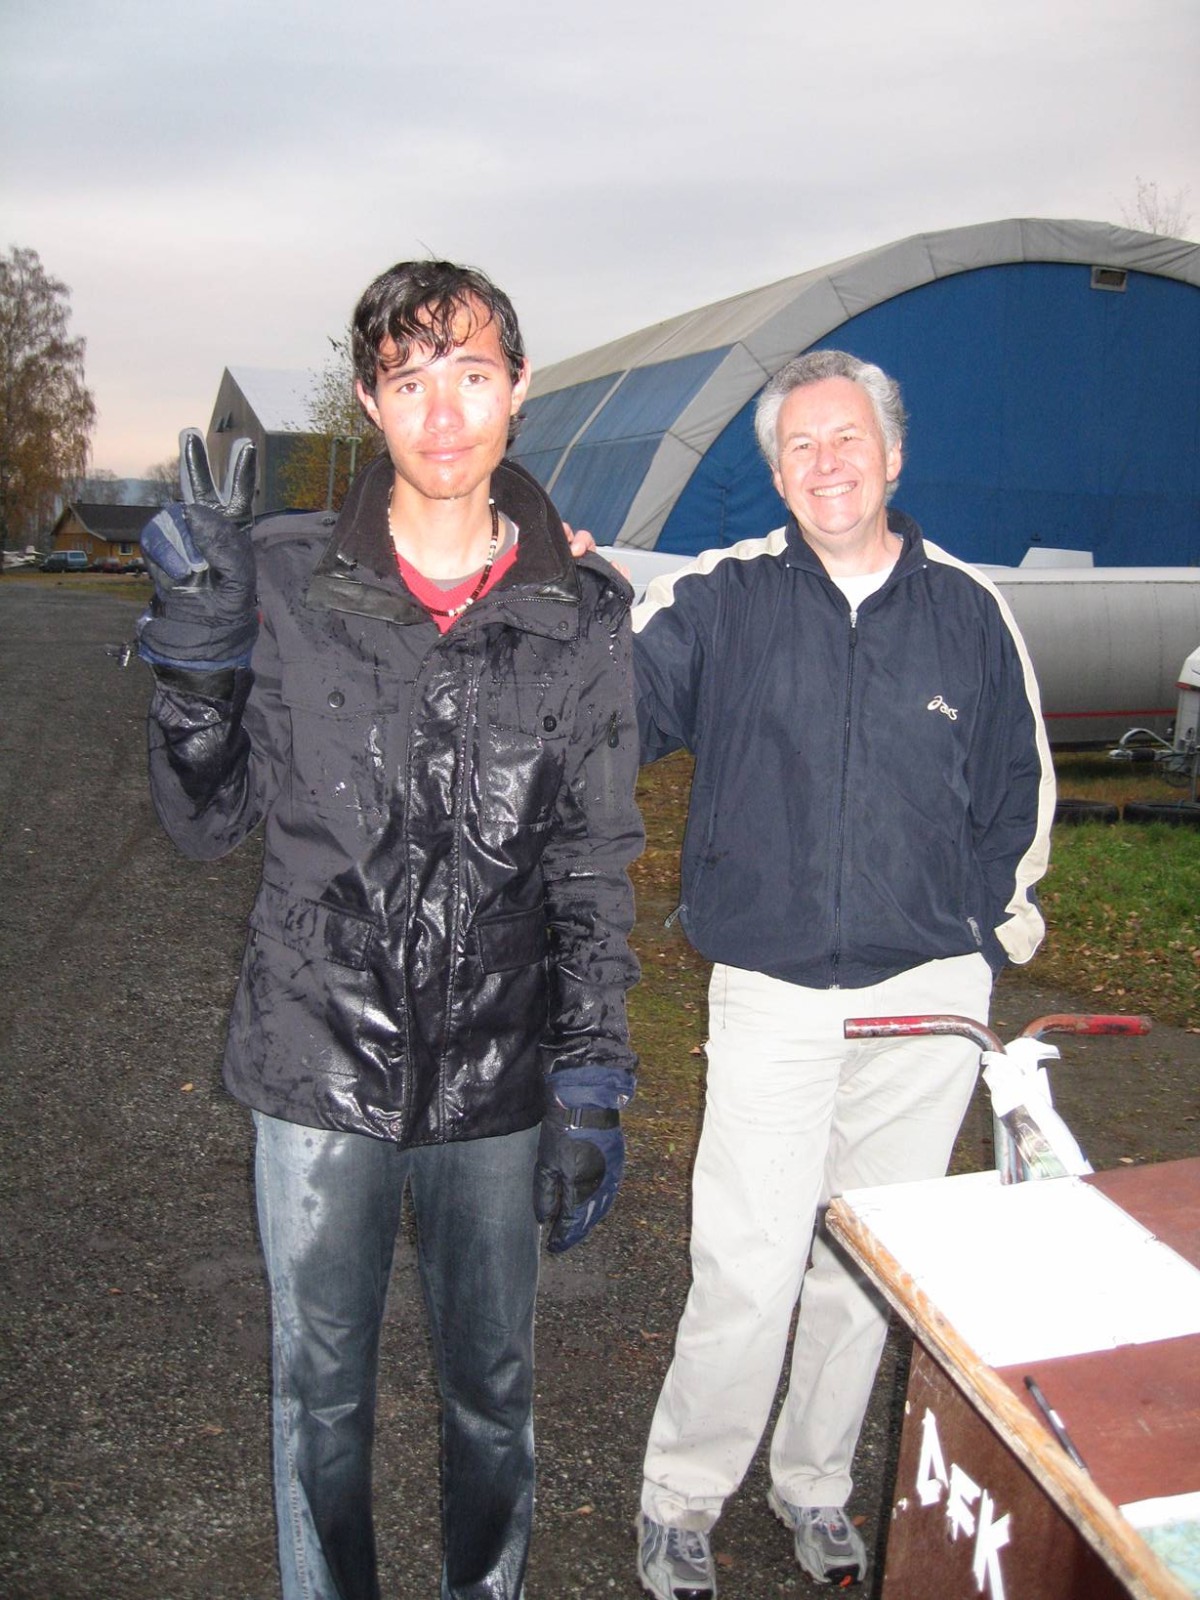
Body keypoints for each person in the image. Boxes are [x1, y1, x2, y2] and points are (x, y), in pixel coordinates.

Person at [135, 259, 643, 1600]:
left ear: (519, 389)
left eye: (471, 374)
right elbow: (206, 822)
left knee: (494, 1392)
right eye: (410, 380)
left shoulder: (580, 614)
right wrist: (195, 667)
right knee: (319, 1395)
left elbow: (593, 861)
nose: (444, 412)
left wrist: (592, 1075)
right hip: (316, 1063)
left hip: (501, 1071)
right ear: (369, 401)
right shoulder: (286, 579)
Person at [629, 349, 1054, 1595]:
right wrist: (558, 609)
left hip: (927, 1001)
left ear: (894, 455)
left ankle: (813, 1485)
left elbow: (1019, 789)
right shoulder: (723, 600)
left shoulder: (970, 611)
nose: (826, 463)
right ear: (776, 473)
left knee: (868, 1268)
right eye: (800, 446)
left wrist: (984, 935)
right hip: (773, 990)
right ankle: (681, 1497)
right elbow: (614, 711)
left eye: (847, 438)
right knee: (748, 1262)